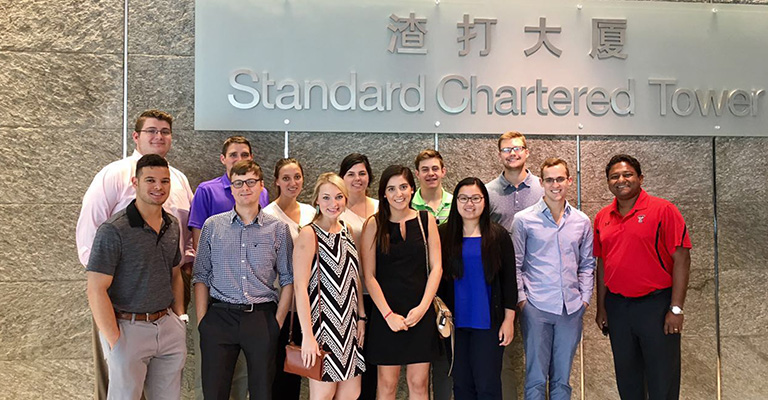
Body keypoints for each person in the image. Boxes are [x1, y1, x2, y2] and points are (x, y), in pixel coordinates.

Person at [76, 109, 194, 400]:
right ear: (136, 136)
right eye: (152, 131)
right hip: (119, 304)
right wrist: (113, 331)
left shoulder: (177, 179)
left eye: (165, 132)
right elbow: (92, 230)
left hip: (165, 305)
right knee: (117, 385)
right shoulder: (114, 174)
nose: (159, 136)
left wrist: (179, 316)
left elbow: (183, 238)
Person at [192, 160, 294, 400]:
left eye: (250, 182)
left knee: (262, 392)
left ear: (261, 186)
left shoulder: (278, 229)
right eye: (238, 183)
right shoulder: (212, 226)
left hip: (261, 317)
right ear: (232, 188)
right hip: (219, 316)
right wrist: (203, 321)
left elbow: (288, 279)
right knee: (214, 392)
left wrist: (276, 323)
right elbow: (201, 275)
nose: (244, 188)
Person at [593, 154, 691, 400]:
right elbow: (602, 263)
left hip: (656, 307)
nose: (621, 180)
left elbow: (682, 259)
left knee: (662, 379)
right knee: (628, 379)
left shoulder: (664, 210)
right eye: (614, 176)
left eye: (627, 174)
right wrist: (602, 307)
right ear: (608, 182)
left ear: (640, 178)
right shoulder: (602, 217)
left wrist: (676, 309)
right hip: (618, 307)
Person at [187, 135, 268, 400]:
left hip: (255, 305)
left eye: (245, 155)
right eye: (233, 155)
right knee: (213, 382)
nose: (239, 159)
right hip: (217, 303)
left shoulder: (262, 193)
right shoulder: (207, 191)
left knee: (250, 379)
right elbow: (201, 256)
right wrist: (203, 320)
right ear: (223, 159)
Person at [511, 158, 595, 400]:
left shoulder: (582, 221)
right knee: (535, 378)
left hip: (571, 309)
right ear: (541, 182)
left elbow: (588, 264)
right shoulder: (524, 220)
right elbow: (516, 263)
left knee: (562, 380)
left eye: (560, 179)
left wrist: (585, 300)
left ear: (569, 181)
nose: (555, 184)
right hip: (536, 307)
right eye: (549, 180)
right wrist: (523, 301)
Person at [360, 165, 442, 400]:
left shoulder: (426, 220)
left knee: (419, 383)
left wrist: (423, 308)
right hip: (387, 314)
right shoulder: (374, 224)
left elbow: (436, 267)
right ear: (383, 193)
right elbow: (369, 276)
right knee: (386, 385)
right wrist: (388, 315)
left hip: (420, 310)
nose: (399, 194)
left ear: (412, 189)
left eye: (404, 187)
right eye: (392, 188)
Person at [438, 177, 517, 400]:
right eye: (463, 198)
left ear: (485, 201)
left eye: (475, 198)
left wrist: (509, 320)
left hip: (489, 324)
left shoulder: (498, 236)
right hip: (455, 325)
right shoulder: (444, 235)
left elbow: (510, 281)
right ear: (456, 202)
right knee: (462, 386)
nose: (469, 204)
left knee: (488, 385)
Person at [293, 173, 366, 399]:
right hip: (322, 328)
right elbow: (300, 287)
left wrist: (361, 317)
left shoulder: (348, 231)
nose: (333, 204)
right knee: (323, 393)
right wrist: (308, 336)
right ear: (316, 200)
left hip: (350, 328)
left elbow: (355, 278)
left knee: (351, 393)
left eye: (338, 197)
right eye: (326, 198)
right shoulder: (308, 234)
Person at [485, 131, 544, 400]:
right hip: (498, 282)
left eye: (517, 148)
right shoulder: (487, 193)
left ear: (527, 152)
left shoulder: (545, 189)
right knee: (501, 352)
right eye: (506, 149)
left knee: (540, 353)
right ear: (499, 155)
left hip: (538, 281)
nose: (512, 153)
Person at [262, 158, 316, 400]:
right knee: (280, 373)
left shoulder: (312, 212)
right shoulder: (267, 215)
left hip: (310, 307)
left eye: (297, 177)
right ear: (276, 182)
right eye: (286, 178)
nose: (292, 183)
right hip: (280, 305)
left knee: (307, 372)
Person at [337, 153, 379, 400]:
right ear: (342, 177)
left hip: (380, 296)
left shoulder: (381, 206)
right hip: (347, 299)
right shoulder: (335, 211)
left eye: (362, 173)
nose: (357, 178)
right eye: (351, 173)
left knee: (374, 361)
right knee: (350, 365)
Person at [412, 149, 453, 225]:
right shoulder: (410, 205)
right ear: (417, 174)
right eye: (425, 170)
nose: (431, 173)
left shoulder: (455, 203)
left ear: (443, 172)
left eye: (435, 169)